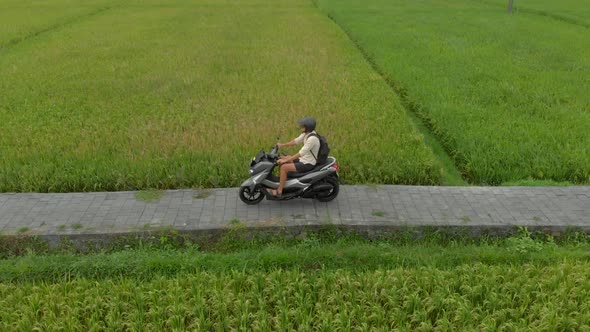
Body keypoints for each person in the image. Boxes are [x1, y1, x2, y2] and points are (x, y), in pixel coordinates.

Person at [269, 117, 320, 197]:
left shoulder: (312, 139)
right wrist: (282, 145)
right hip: (304, 159)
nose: (301, 127)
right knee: (281, 158)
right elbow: (296, 141)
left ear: (307, 128)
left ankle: (280, 190)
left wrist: (286, 161)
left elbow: (301, 153)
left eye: (303, 126)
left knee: (284, 167)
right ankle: (282, 183)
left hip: (308, 163)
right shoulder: (306, 134)